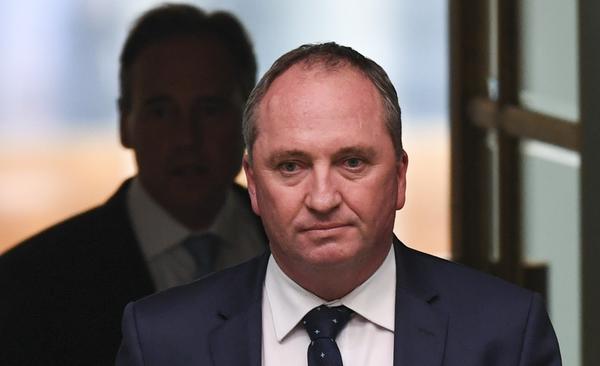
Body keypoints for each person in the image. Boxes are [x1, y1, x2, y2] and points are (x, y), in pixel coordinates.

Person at [115, 42, 562, 365]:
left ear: (400, 177)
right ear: (252, 184)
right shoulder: (160, 341)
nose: (323, 199)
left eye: (352, 162)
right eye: (291, 166)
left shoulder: (505, 335)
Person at [0, 4, 266, 365]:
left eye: (210, 108)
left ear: (249, 121)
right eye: (160, 111)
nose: (186, 136)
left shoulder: (308, 246)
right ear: (125, 123)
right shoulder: (24, 285)